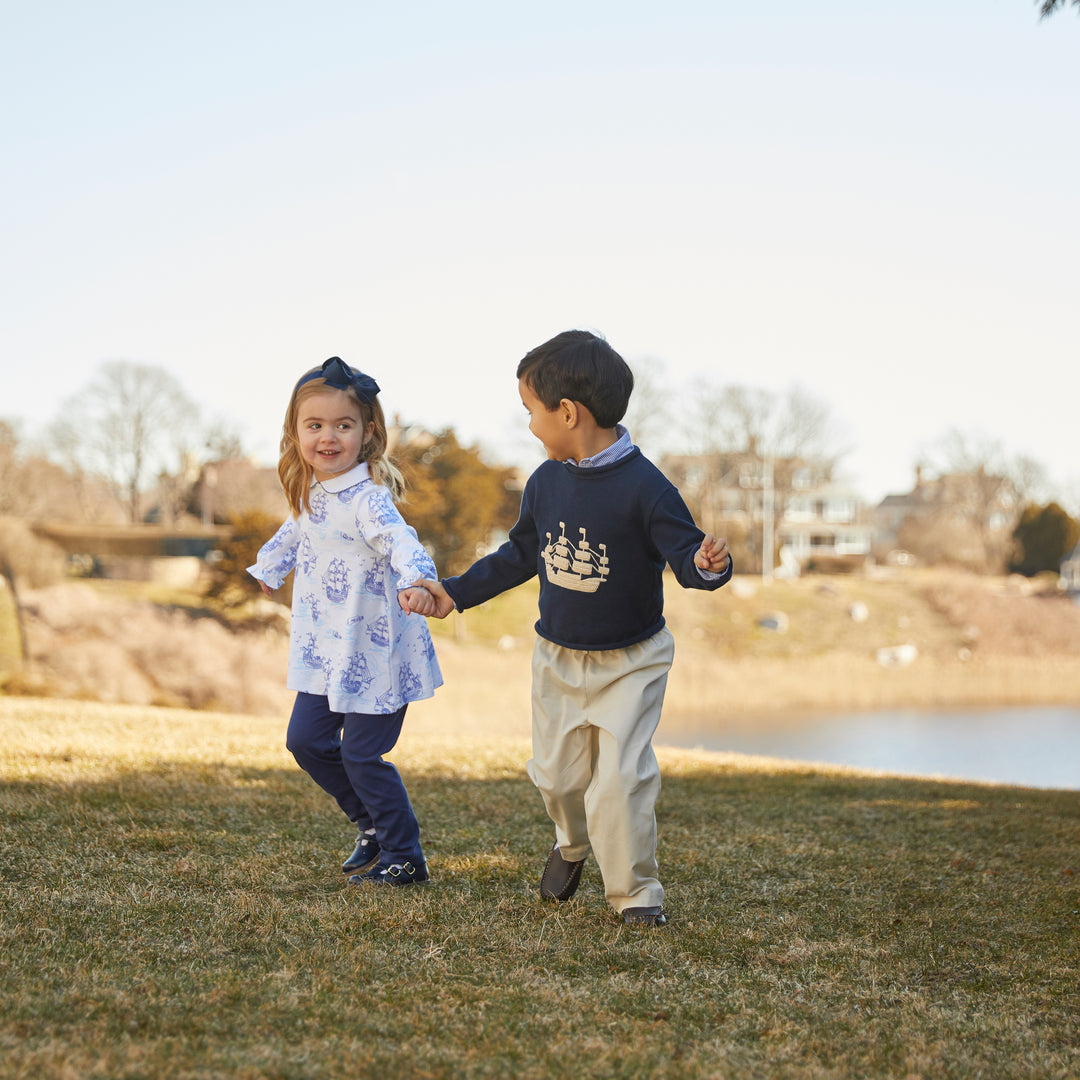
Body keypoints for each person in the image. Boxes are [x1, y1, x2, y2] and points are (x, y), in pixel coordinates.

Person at [420, 330, 731, 926]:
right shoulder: (545, 483)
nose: (531, 426)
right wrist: (453, 594)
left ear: (567, 413)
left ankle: (636, 895)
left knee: (620, 779)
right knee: (558, 779)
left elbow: (689, 559)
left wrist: (708, 565)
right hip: (558, 658)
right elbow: (518, 556)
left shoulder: (648, 488)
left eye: (531, 413)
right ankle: (571, 842)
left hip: (632, 663)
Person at [248, 356, 441, 888]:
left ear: (366, 432)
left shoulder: (369, 499)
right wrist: (270, 566)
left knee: (361, 752)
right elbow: (293, 533)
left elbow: (402, 542)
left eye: (343, 425)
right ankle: (372, 825)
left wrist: (417, 580)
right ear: (296, 432)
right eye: (315, 425)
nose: (328, 437)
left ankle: (405, 855)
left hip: (375, 649)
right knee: (305, 741)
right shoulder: (311, 493)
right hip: (326, 651)